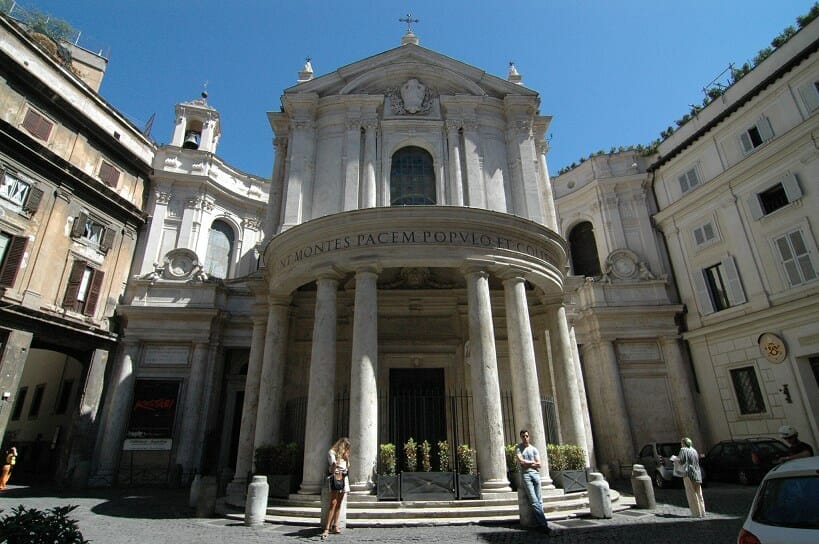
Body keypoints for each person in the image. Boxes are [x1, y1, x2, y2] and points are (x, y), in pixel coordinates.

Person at [515, 430, 552, 534]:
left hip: (536, 475)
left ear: (529, 436)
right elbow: (521, 462)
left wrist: (528, 463)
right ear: (521, 437)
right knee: (534, 500)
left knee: (539, 500)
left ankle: (539, 523)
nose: (525, 438)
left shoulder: (534, 449)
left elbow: (539, 464)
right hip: (526, 475)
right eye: (523, 436)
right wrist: (533, 463)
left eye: (526, 436)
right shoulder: (518, 448)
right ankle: (543, 524)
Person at [322, 437, 350, 539]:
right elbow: (332, 467)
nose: (346, 450)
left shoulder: (345, 455)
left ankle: (335, 525)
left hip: (344, 478)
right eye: (345, 447)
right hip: (335, 478)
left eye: (347, 448)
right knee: (333, 503)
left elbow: (347, 468)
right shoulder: (332, 453)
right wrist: (336, 464)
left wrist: (347, 460)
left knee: (339, 503)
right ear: (341, 446)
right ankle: (326, 528)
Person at [674, 437, 705, 518]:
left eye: (681, 443)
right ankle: (702, 511)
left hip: (688, 474)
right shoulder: (694, 450)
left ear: (684, 443)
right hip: (697, 473)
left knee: (691, 494)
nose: (681, 444)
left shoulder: (683, 450)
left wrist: (675, 459)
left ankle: (696, 513)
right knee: (699, 493)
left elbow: (681, 461)